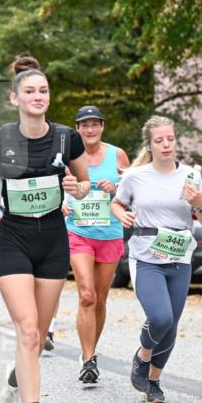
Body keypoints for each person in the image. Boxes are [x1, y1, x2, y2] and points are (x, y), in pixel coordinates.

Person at [0, 54, 91, 403]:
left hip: (53, 240)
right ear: (14, 98)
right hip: (13, 239)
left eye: (43, 90)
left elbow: (84, 182)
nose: (38, 96)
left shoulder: (67, 139)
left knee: (37, 337)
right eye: (29, 91)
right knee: (26, 330)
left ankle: (14, 381)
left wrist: (77, 189)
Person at [110, 115, 202, 403]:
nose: (166, 144)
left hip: (180, 257)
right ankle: (142, 355)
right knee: (161, 317)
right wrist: (122, 215)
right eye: (159, 140)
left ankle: (154, 381)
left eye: (170, 139)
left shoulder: (190, 176)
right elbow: (116, 203)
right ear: (150, 145)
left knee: (172, 324)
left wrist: (198, 204)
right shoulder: (135, 176)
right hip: (146, 256)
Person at [64, 105, 130, 385]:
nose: (90, 129)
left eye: (94, 124)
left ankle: (89, 350)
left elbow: (132, 190)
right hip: (78, 232)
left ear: (102, 126)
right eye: (84, 125)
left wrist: (115, 189)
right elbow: (57, 187)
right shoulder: (69, 156)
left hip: (110, 234)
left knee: (101, 299)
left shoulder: (117, 155)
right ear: (77, 129)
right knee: (86, 295)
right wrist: (61, 206)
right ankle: (89, 359)